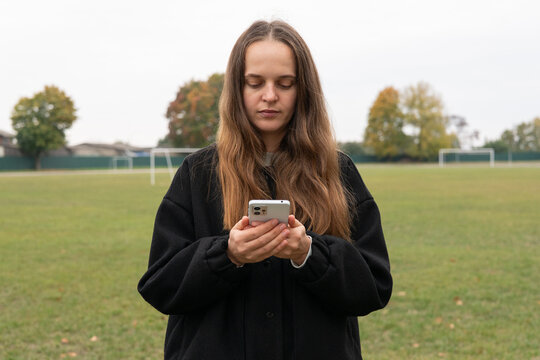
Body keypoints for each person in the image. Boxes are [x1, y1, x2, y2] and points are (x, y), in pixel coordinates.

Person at [138, 19, 392, 360]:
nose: (269, 96)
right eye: (255, 83)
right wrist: (226, 255)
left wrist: (309, 253)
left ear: (303, 89)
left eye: (285, 83)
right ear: (237, 88)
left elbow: (374, 287)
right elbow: (160, 286)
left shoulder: (338, 171)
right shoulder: (197, 173)